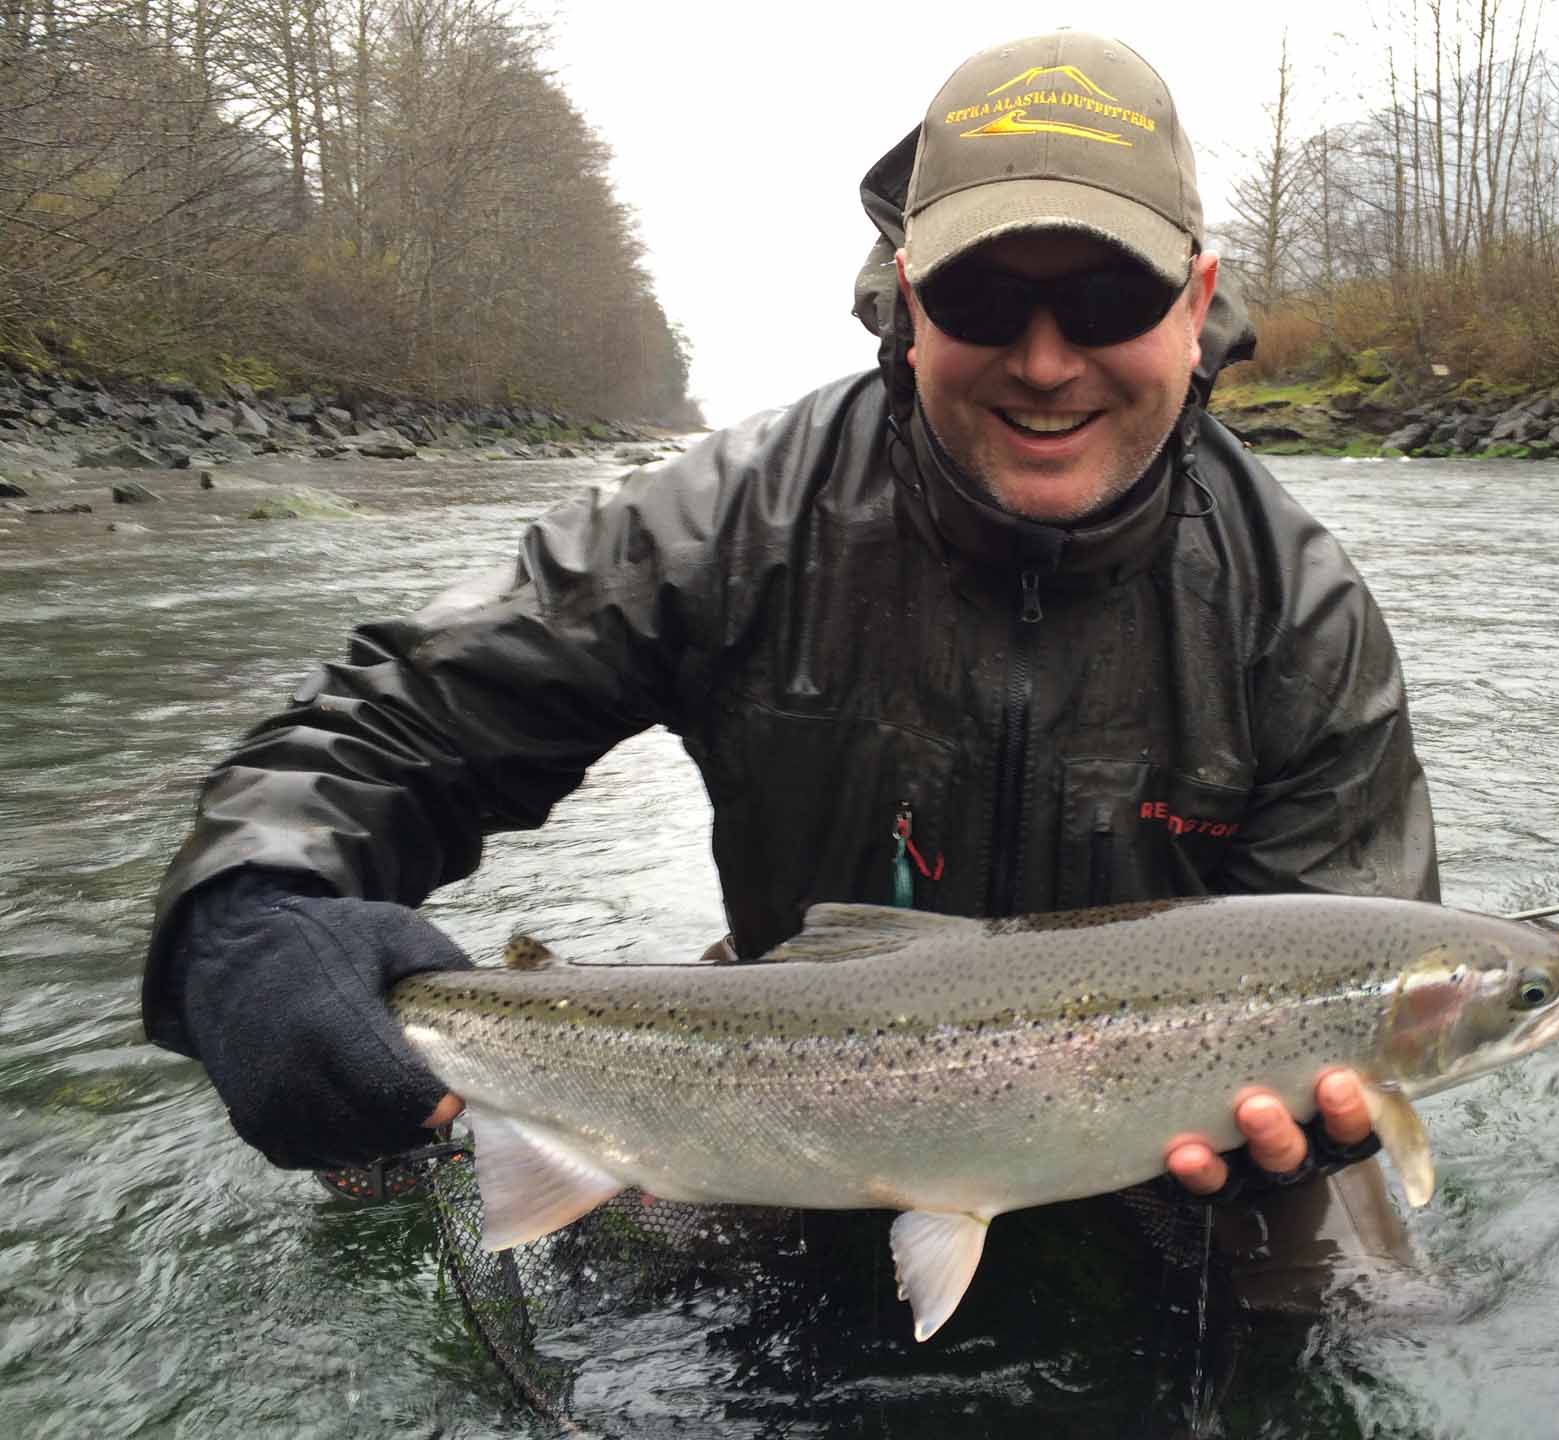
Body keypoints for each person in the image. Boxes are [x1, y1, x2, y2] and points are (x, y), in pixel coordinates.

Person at [143, 31, 1437, 1251]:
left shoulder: (1298, 610)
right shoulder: (736, 520)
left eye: (1108, 296)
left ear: (1195, 300)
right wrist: (249, 908)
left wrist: (1321, 1124)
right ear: (910, 298)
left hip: (1183, 1161)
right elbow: (402, 724)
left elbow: (1357, 935)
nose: (1047, 361)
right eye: (988, 296)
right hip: (793, 1105)